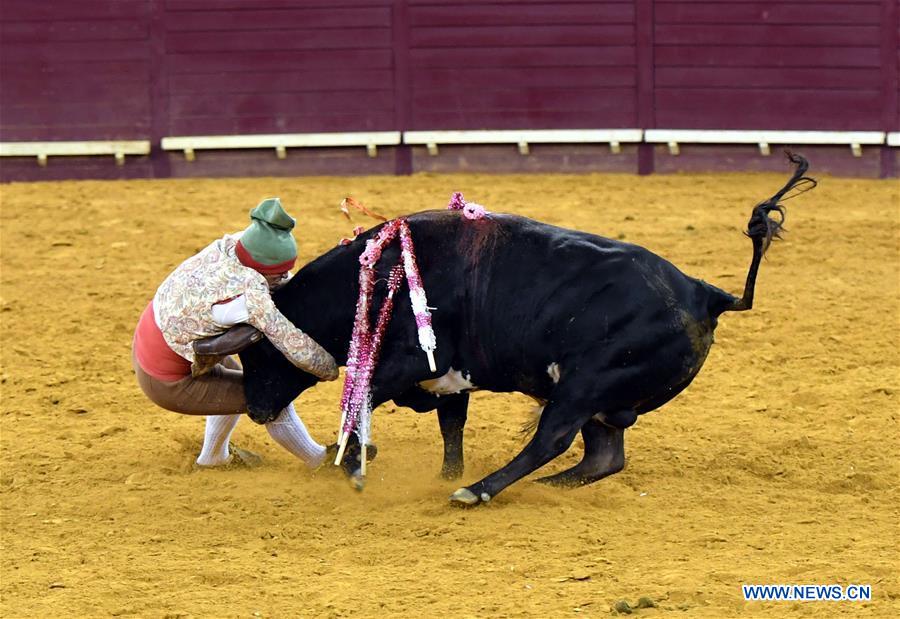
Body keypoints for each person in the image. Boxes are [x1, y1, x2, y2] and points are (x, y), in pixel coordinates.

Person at [132, 197, 340, 470]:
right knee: (269, 396)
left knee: (234, 388)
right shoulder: (249, 296)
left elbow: (278, 284)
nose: (283, 278)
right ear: (261, 272)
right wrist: (331, 367)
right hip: (165, 379)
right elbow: (295, 347)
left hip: (153, 340)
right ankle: (318, 461)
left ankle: (212, 458)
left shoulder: (233, 244)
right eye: (277, 275)